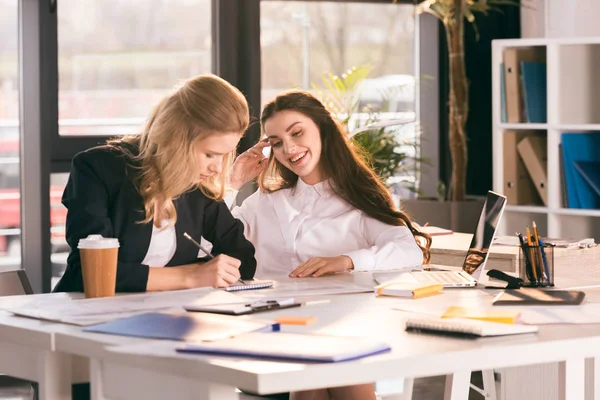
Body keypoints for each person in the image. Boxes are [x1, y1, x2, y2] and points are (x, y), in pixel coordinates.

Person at [228, 90, 432, 400]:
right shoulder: (265, 202)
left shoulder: (359, 199)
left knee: (321, 363)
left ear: (322, 127)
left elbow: (407, 250)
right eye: (277, 142)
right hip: (272, 331)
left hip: (340, 331)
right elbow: (211, 238)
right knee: (320, 363)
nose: (290, 148)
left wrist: (347, 260)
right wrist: (232, 183)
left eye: (297, 132)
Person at [54, 74, 257, 294]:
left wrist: (203, 273)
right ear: (177, 140)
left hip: (166, 316)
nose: (217, 168)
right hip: (86, 315)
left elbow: (243, 261)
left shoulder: (197, 187)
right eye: (210, 154)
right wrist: (191, 276)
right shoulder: (96, 169)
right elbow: (92, 271)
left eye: (224, 156)